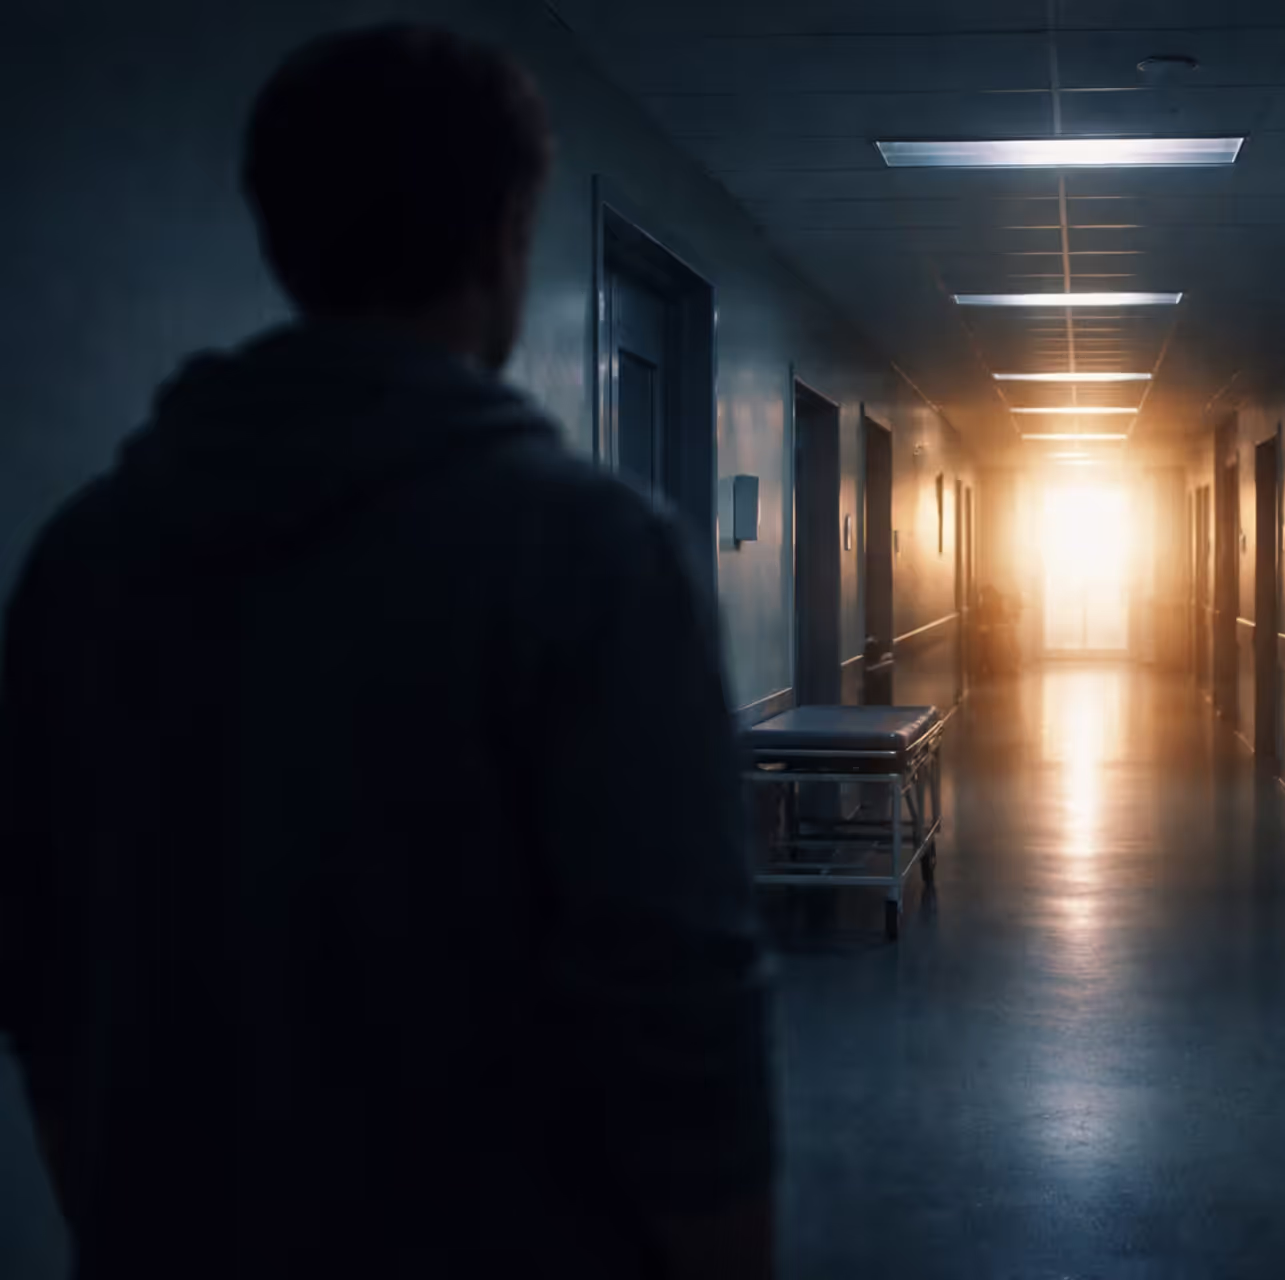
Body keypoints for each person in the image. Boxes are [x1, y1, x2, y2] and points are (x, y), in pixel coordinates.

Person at [0, 25, 773, 1280]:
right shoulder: (594, 556)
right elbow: (682, 1019)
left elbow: (40, 979)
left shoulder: (86, 557)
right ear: (506, 235)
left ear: (280, 231)